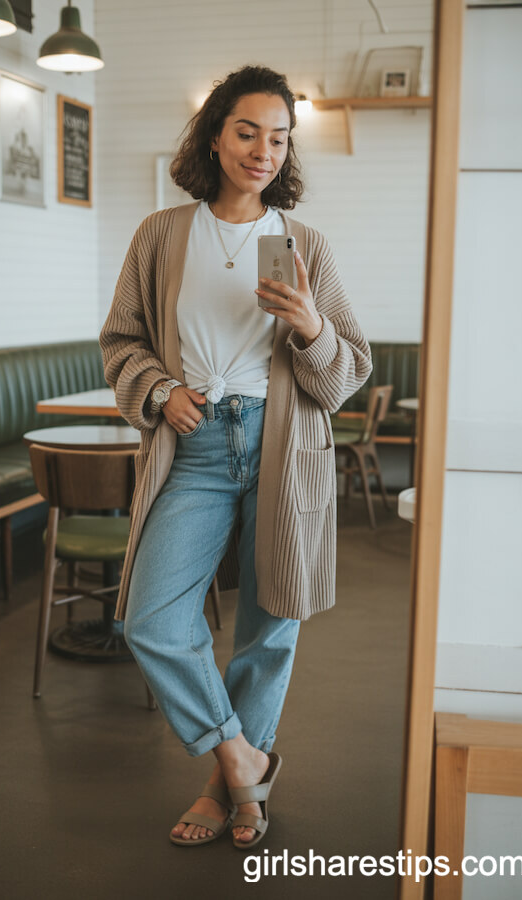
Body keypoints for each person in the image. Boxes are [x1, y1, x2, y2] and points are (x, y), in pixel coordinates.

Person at [99, 65, 372, 850]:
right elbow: (121, 340)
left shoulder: (300, 244)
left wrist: (312, 325)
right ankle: (242, 757)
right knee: (151, 618)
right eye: (247, 132)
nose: (263, 151)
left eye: (278, 138)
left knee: (270, 624)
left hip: (283, 447)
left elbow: (347, 374)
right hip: (193, 446)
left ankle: (230, 791)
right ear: (214, 136)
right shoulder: (162, 235)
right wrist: (159, 392)